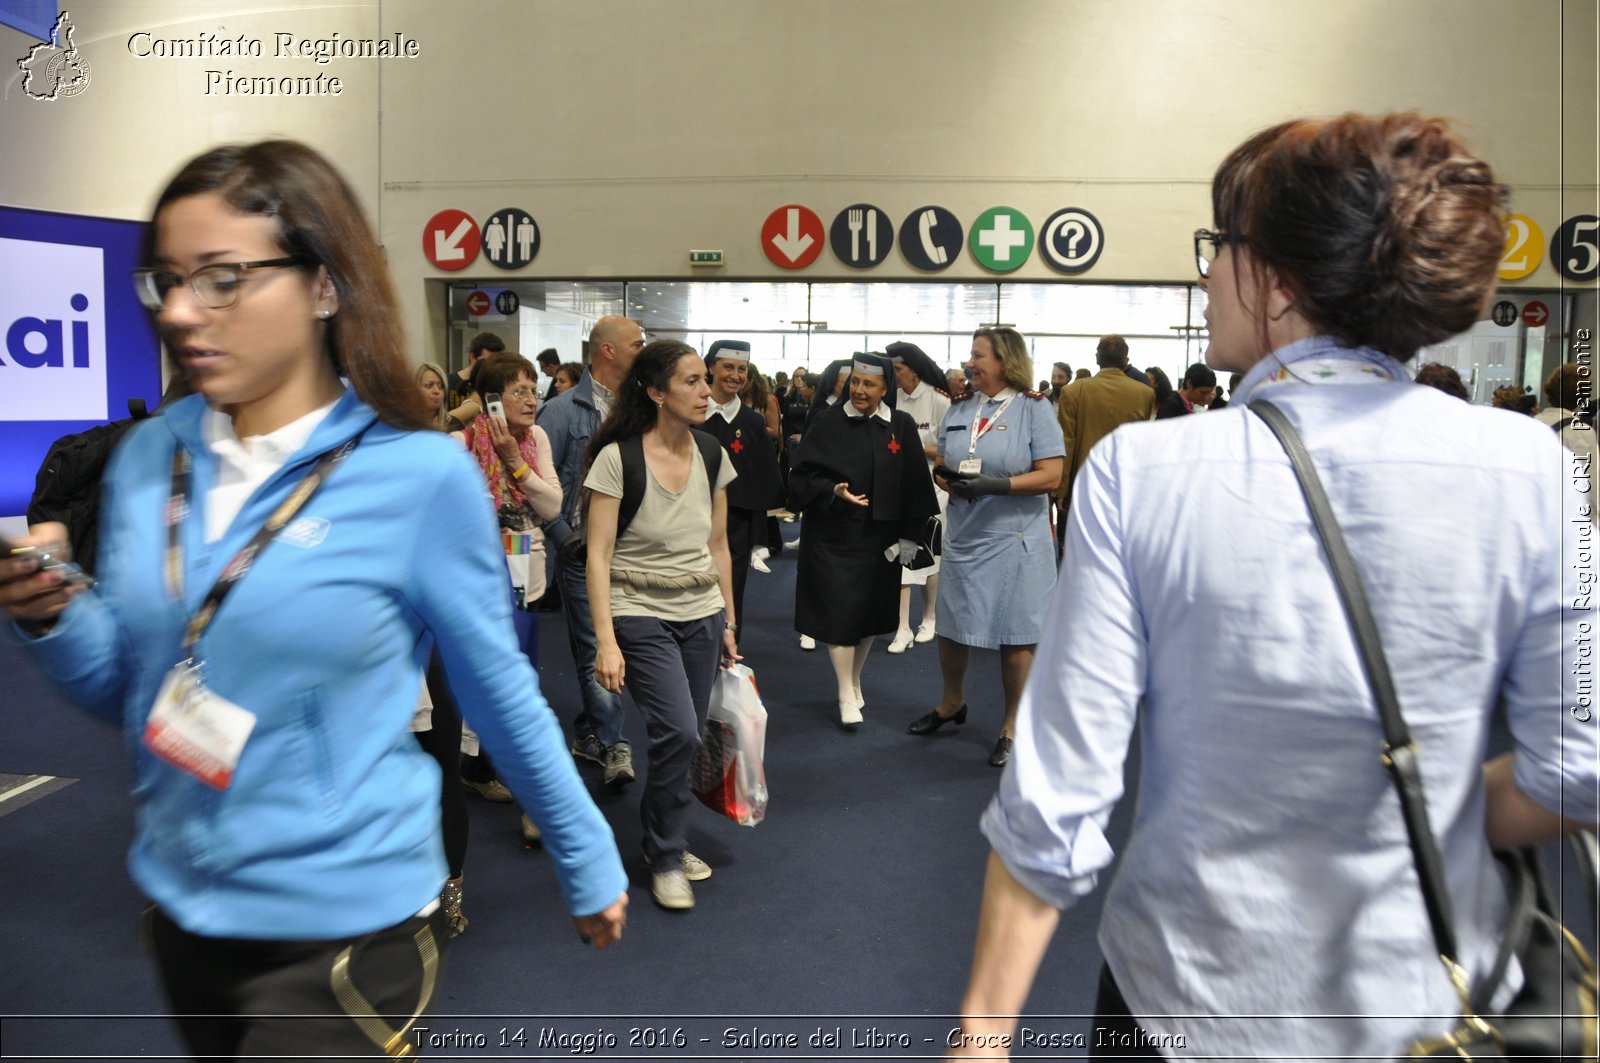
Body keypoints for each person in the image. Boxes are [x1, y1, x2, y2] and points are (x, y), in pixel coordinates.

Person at [952, 112, 1597, 1059]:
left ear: (1278, 279)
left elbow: (1059, 798)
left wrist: (983, 1033)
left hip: (1189, 993)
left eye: (1221, 248)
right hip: (1436, 997)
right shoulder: (1538, 467)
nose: (1207, 274)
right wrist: (1427, 798)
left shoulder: (1144, 471)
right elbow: (1577, 767)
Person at [0, 139, 627, 1058]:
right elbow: (134, 690)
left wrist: (585, 851)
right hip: (182, 906)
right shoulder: (147, 460)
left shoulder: (413, 475)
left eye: (221, 277)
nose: (179, 310)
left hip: (349, 922)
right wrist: (54, 616)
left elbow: (497, 691)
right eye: (165, 281)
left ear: (325, 285)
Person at [583, 339, 740, 911]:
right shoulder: (617, 458)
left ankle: (661, 839)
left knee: (687, 734)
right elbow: (597, 556)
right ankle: (668, 853)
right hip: (638, 608)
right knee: (679, 731)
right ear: (655, 392)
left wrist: (729, 621)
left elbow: (718, 545)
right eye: (693, 382)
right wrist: (605, 641)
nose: (707, 390)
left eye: (706, 381)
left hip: (701, 611)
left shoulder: (712, 453)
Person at [905, 328, 1064, 766]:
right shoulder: (961, 408)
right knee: (952, 626)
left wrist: (997, 485)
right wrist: (944, 478)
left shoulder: (1035, 409)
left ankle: (1013, 723)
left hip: (1015, 542)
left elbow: (1051, 476)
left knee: (1016, 635)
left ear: (1004, 361)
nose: (970, 363)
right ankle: (951, 703)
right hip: (966, 537)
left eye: (978, 355)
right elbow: (945, 460)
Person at [790, 354, 938, 729]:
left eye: (868, 384)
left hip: (880, 540)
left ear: (886, 388)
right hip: (833, 537)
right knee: (839, 616)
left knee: (870, 617)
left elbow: (916, 488)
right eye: (855, 382)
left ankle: (854, 679)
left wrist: (910, 538)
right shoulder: (825, 422)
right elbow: (801, 477)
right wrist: (831, 491)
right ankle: (843, 692)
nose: (858, 389)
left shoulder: (901, 426)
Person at [538, 315, 646, 789]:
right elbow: (540, 486)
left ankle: (588, 730)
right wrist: (566, 539)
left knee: (619, 645)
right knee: (595, 649)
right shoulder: (561, 412)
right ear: (608, 351)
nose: (644, 352)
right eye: (637, 344)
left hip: (631, 551)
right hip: (582, 552)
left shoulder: (641, 410)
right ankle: (613, 739)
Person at [701, 341, 784, 624]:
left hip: (735, 527)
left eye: (742, 369)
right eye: (728, 367)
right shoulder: (691, 414)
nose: (735, 375)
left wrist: (758, 537)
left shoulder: (752, 422)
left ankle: (726, 658)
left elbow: (763, 482)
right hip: (690, 520)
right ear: (711, 367)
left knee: (730, 594)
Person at [884, 341, 951, 652]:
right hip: (897, 488)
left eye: (898, 369)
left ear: (913, 369)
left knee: (930, 557)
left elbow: (952, 449)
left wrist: (914, 445)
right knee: (902, 557)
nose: (894, 375)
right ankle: (901, 627)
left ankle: (929, 618)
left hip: (933, 490)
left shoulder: (938, 401)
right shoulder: (890, 399)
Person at [1053, 335, 1155, 514]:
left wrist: (1061, 490)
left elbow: (1066, 443)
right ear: (1125, 361)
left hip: (1084, 484)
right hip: (1126, 484)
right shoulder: (1145, 394)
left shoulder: (1072, 391)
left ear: (1097, 358)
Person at [446, 331, 504, 422]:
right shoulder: (446, 382)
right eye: (486, 361)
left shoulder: (498, 385)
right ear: (472, 357)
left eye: (496, 362)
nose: (491, 366)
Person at [416, 361, 448, 429]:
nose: (437, 391)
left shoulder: (454, 424)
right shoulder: (403, 425)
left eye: (441, 386)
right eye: (429, 385)